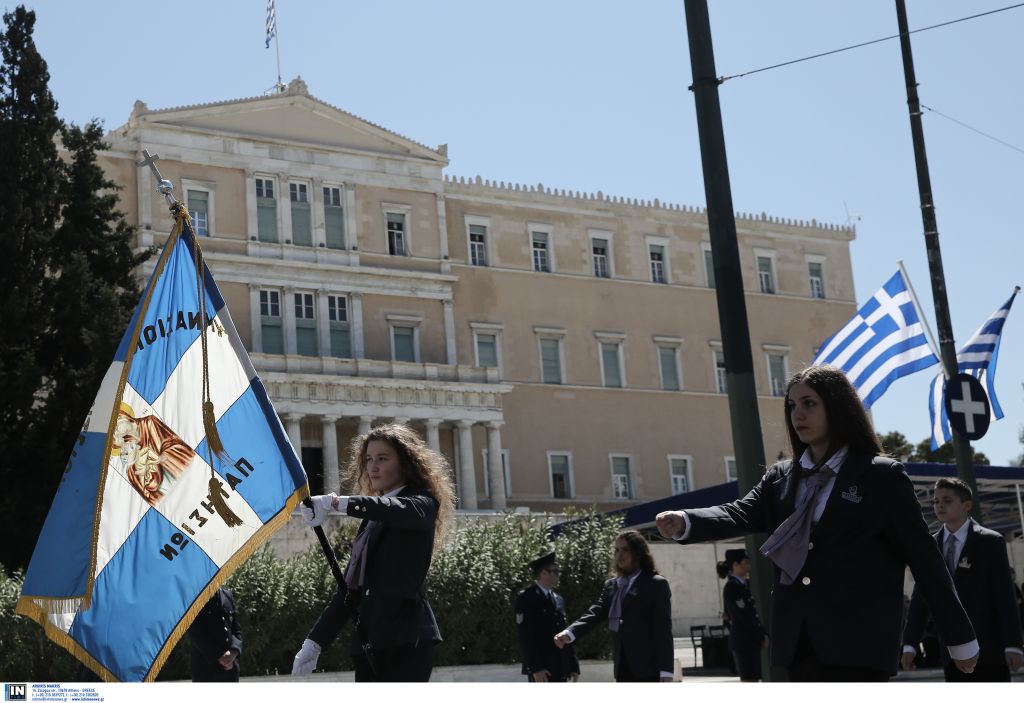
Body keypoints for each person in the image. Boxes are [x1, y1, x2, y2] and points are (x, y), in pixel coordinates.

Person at [655, 364, 978, 682]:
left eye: (809, 403)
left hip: (859, 644)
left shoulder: (881, 476)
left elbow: (924, 559)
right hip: (798, 642)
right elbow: (740, 513)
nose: (798, 414)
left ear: (836, 406)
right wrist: (685, 521)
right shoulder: (781, 477)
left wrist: (960, 637)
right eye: (792, 405)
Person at [291, 423, 456, 681]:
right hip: (370, 643)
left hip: (406, 641)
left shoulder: (422, 502)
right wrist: (315, 642)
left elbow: (396, 508)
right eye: (368, 459)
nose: (373, 467)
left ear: (405, 462)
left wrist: (337, 503)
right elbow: (349, 590)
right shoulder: (371, 521)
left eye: (382, 458)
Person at [901, 477, 1023, 681]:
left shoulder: (990, 542)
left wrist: (1013, 644)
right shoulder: (930, 546)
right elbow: (921, 599)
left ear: (967, 505)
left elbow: (1004, 597)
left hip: (990, 653)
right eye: (936, 501)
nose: (939, 505)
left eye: (947, 500)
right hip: (952, 654)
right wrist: (910, 643)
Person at [553, 530, 674, 682]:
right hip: (622, 666)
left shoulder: (655, 583)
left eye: (625, 550)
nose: (619, 555)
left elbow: (663, 630)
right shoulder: (612, 585)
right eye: (616, 550)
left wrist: (666, 670)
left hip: (649, 669)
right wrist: (570, 633)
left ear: (638, 552)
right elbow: (596, 612)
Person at [514, 551, 580, 682]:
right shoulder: (527, 598)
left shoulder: (558, 599)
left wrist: (573, 665)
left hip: (560, 666)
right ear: (544, 573)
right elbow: (525, 636)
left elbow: (564, 632)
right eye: (556, 571)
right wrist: (535, 668)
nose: (558, 575)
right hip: (542, 669)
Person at [717, 548, 767, 681]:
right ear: (735, 565)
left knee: (754, 677)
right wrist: (760, 635)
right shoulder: (732, 587)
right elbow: (742, 616)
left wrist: (762, 632)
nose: (748, 566)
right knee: (749, 678)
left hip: (751, 640)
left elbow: (752, 614)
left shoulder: (744, 585)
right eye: (745, 562)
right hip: (743, 641)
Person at [187, 588, 242, 682]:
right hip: (206, 670)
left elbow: (236, 629)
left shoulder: (227, 594)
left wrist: (233, 652)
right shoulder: (194, 598)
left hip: (230, 669)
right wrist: (219, 656)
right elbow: (195, 632)